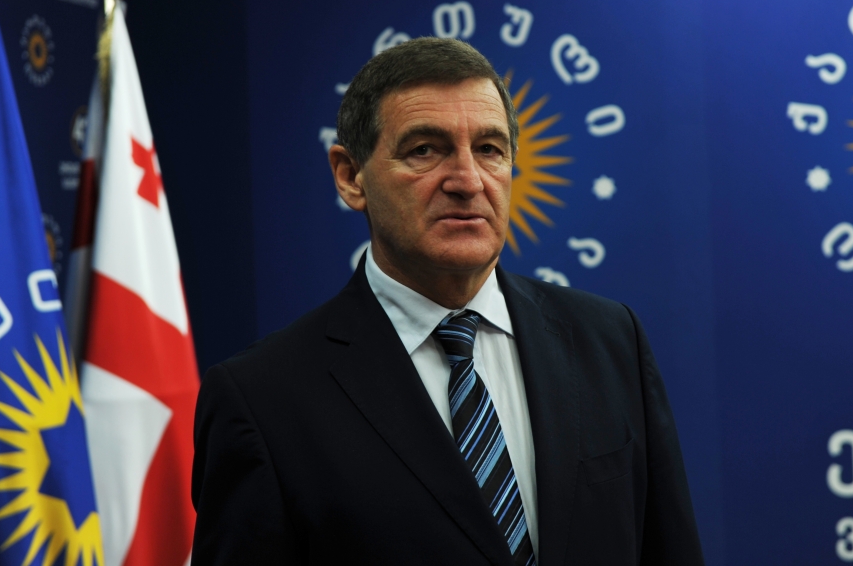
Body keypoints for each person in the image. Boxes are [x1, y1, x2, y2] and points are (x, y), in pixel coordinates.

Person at [191, 37, 704, 565]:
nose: (467, 181)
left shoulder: (611, 340)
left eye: (489, 149)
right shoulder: (262, 399)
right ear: (350, 176)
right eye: (424, 150)